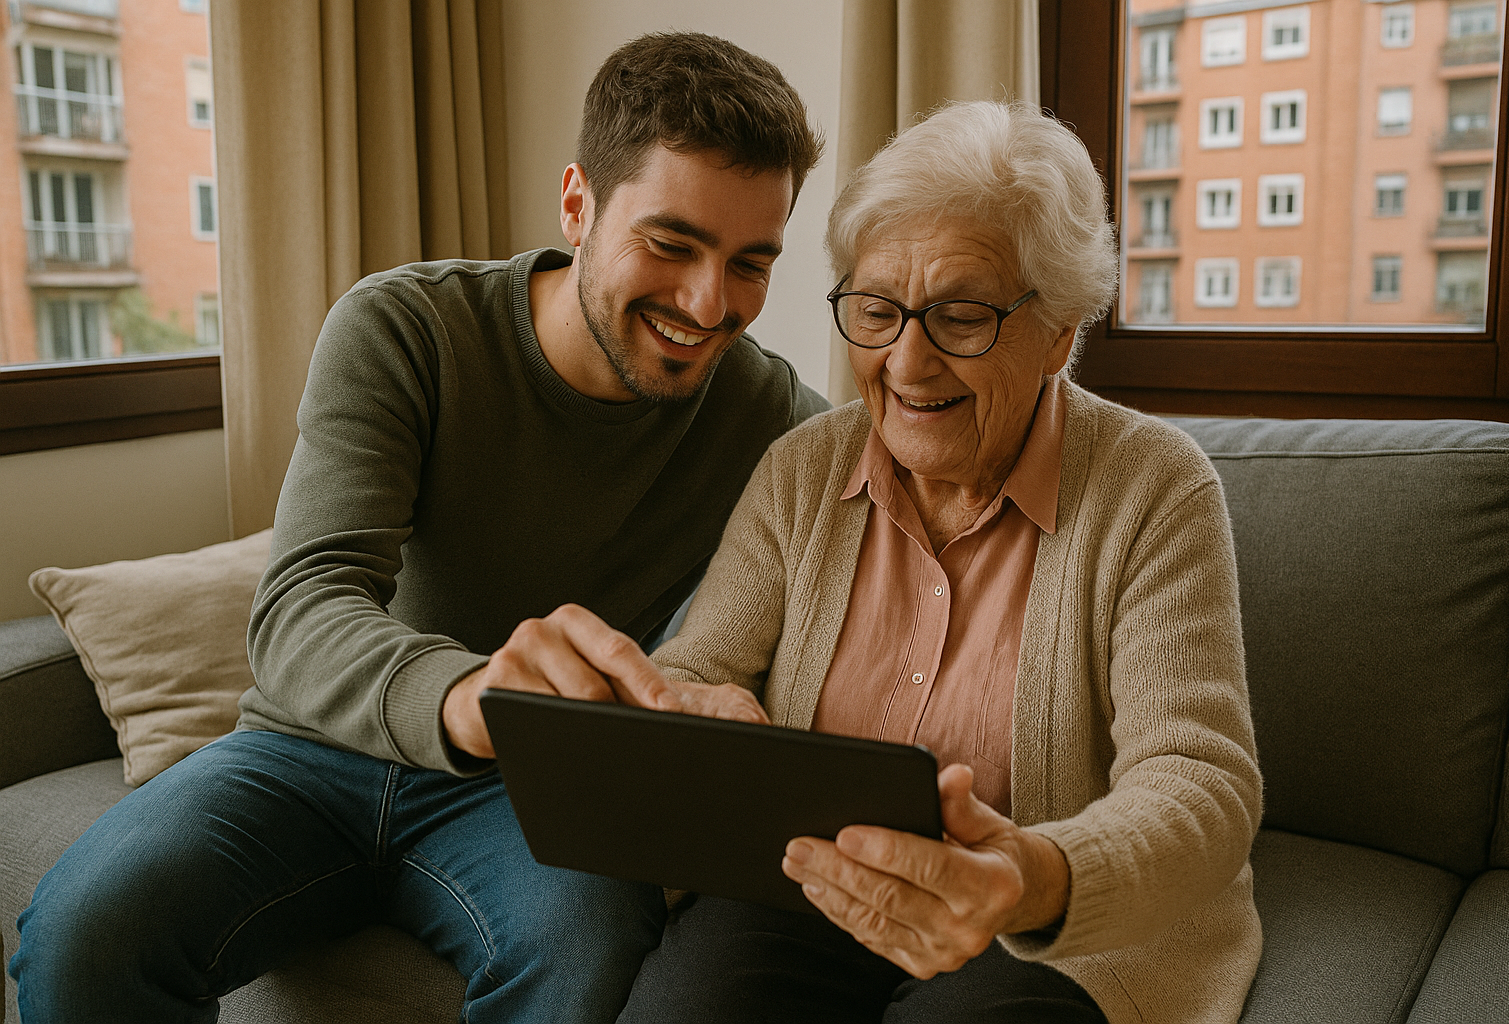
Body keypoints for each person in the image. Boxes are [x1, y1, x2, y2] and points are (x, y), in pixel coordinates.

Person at [10, 32, 826, 1023]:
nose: (711, 302)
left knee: (592, 959)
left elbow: (908, 469)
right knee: (83, 934)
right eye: (672, 243)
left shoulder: (773, 416)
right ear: (579, 204)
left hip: (534, 797)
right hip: (312, 752)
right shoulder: (406, 329)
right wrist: (471, 692)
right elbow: (300, 611)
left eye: (751, 262)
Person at [614, 101, 1264, 1024]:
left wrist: (1032, 875)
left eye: (961, 316)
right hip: (808, 890)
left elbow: (1199, 777)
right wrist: (696, 712)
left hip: (1050, 924)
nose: (906, 361)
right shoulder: (803, 470)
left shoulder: (1153, 489)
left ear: (1060, 333)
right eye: (876, 311)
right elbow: (694, 668)